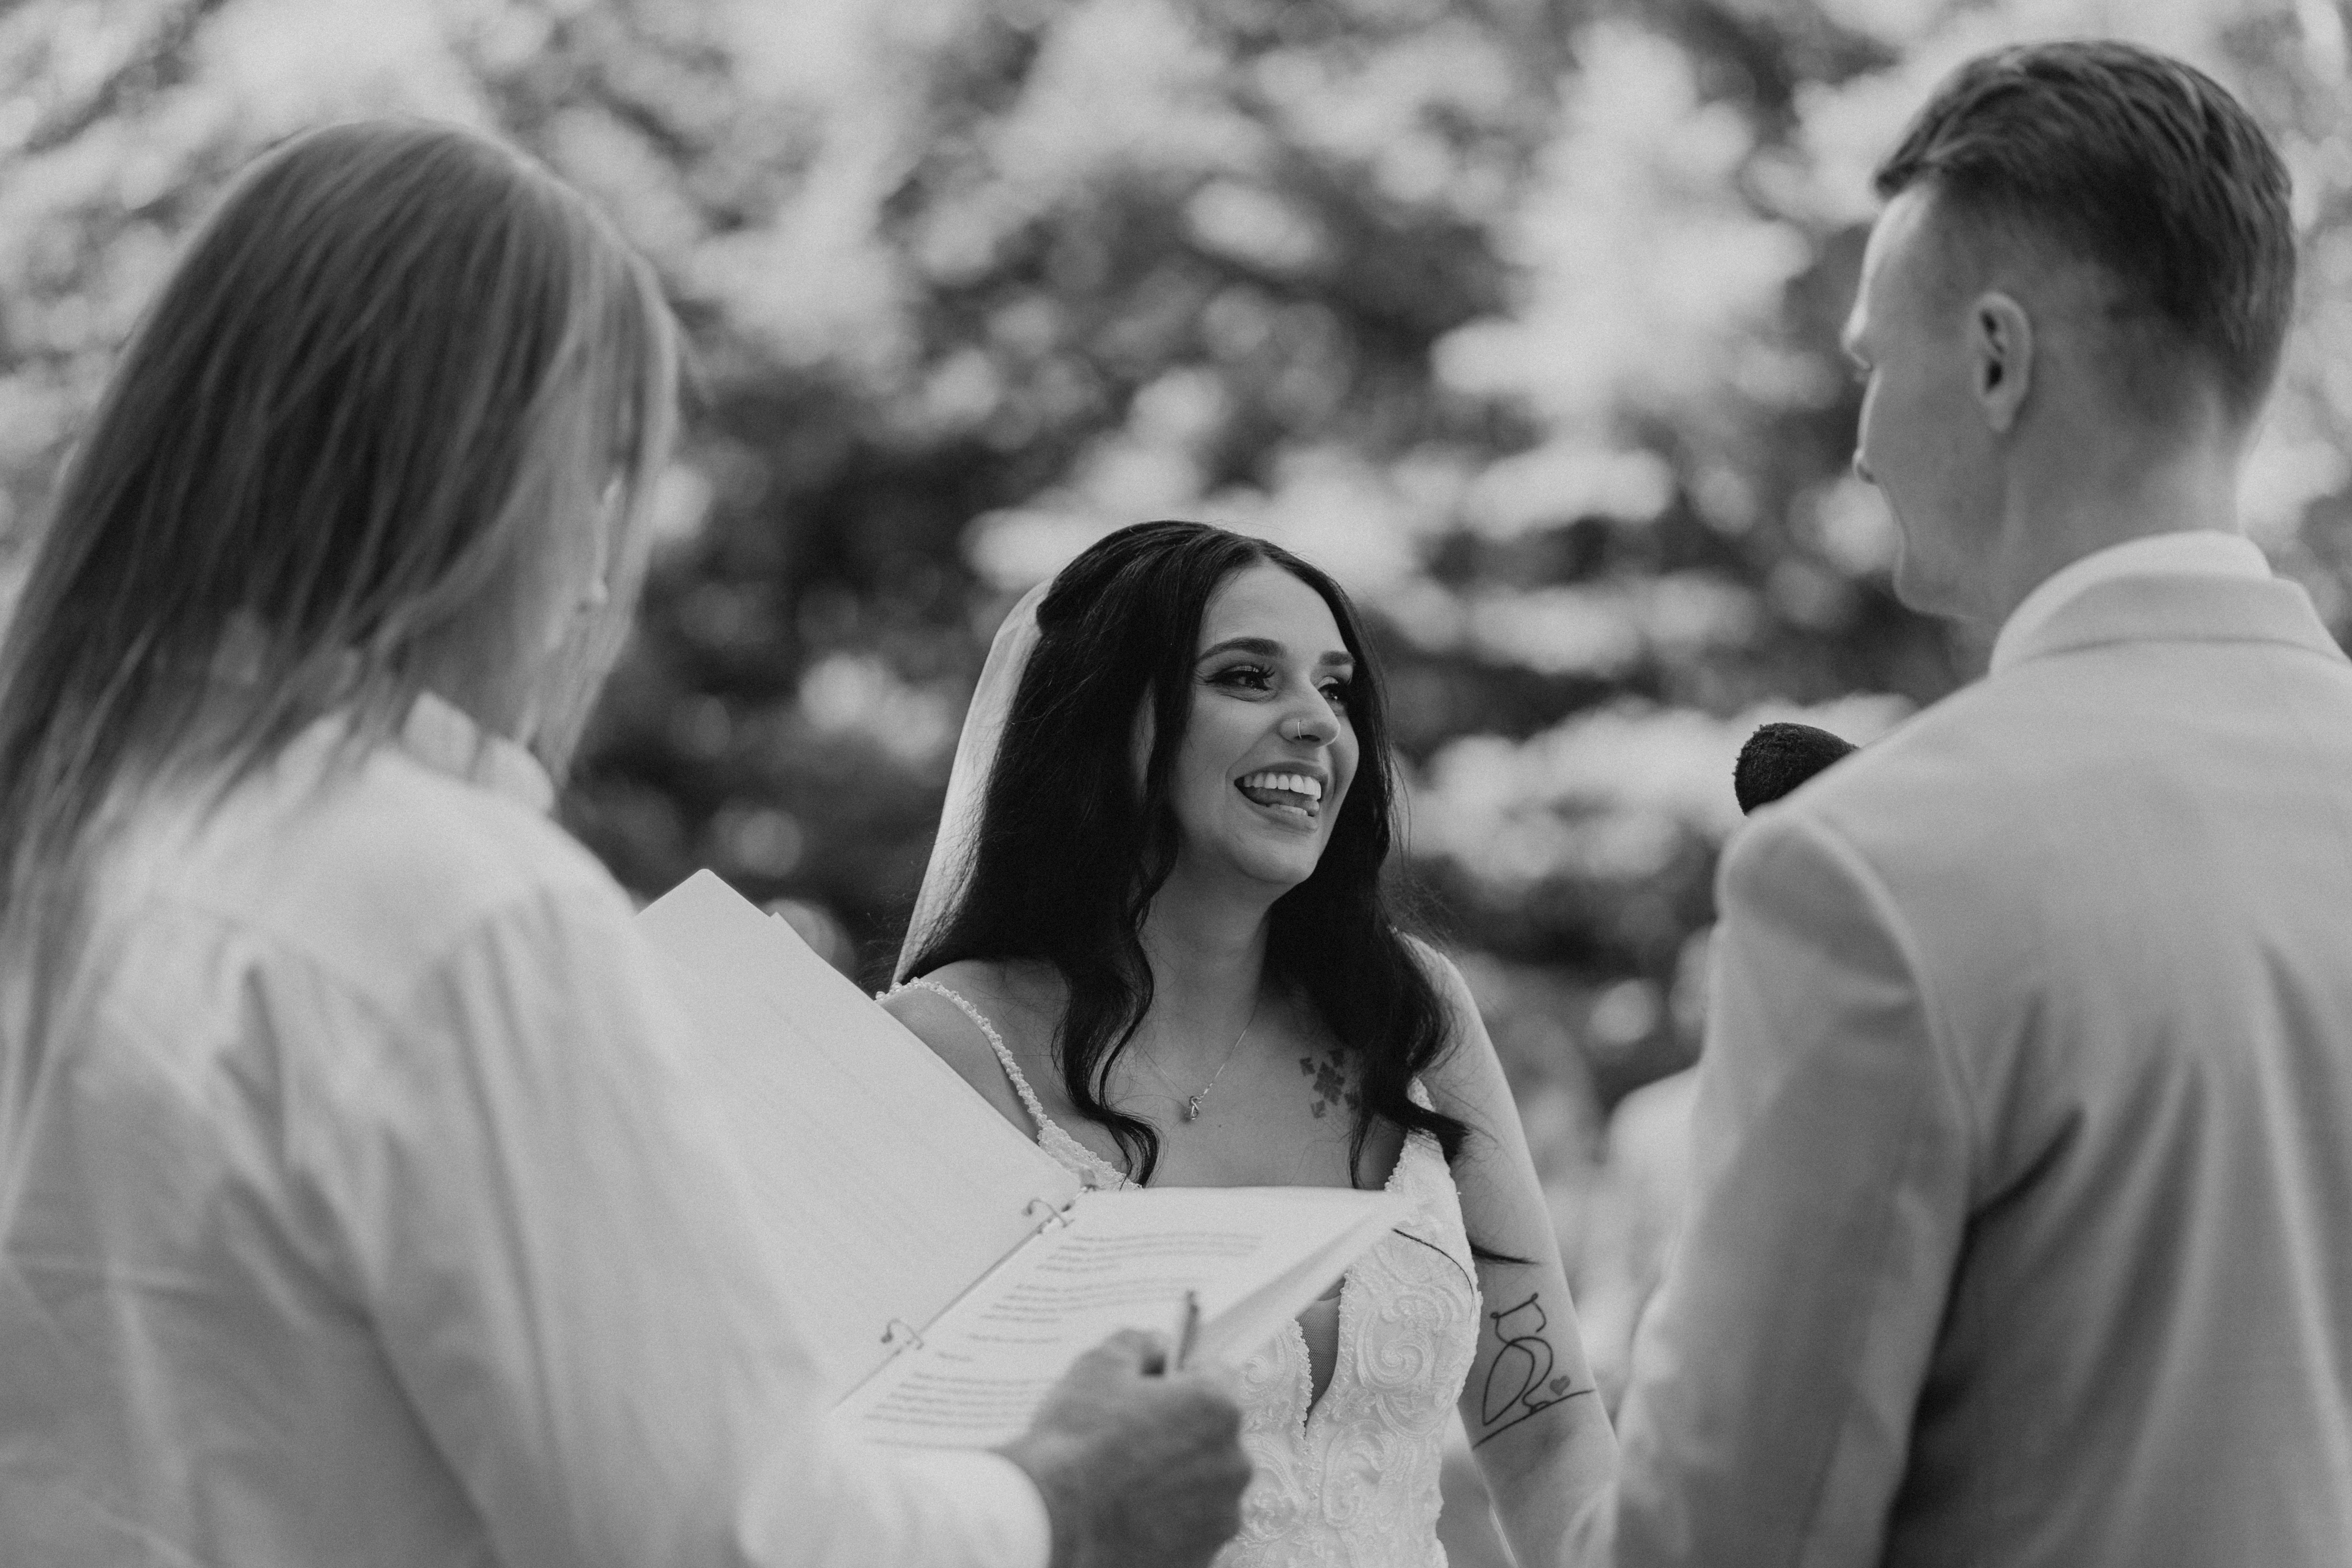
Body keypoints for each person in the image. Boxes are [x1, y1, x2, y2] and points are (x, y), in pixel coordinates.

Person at [0, 121, 1249, 1568]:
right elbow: (710, 1539)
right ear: (500, 483)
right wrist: (1067, 1506)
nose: (601, 576)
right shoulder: (449, 904)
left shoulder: (66, 834)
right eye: (605, 487)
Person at [1576, 40, 2352, 1568]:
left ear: (1998, 361)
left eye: (1875, 364)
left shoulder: (1872, 875)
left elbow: (1725, 1544)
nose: (1858, 442)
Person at [884, 521, 1617, 1568]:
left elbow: (1549, 1439)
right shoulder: (949, 1050)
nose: (1318, 723)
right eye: (1247, 677)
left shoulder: (1416, 1017)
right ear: (1110, 717)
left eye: (1336, 688)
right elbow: (891, 1484)